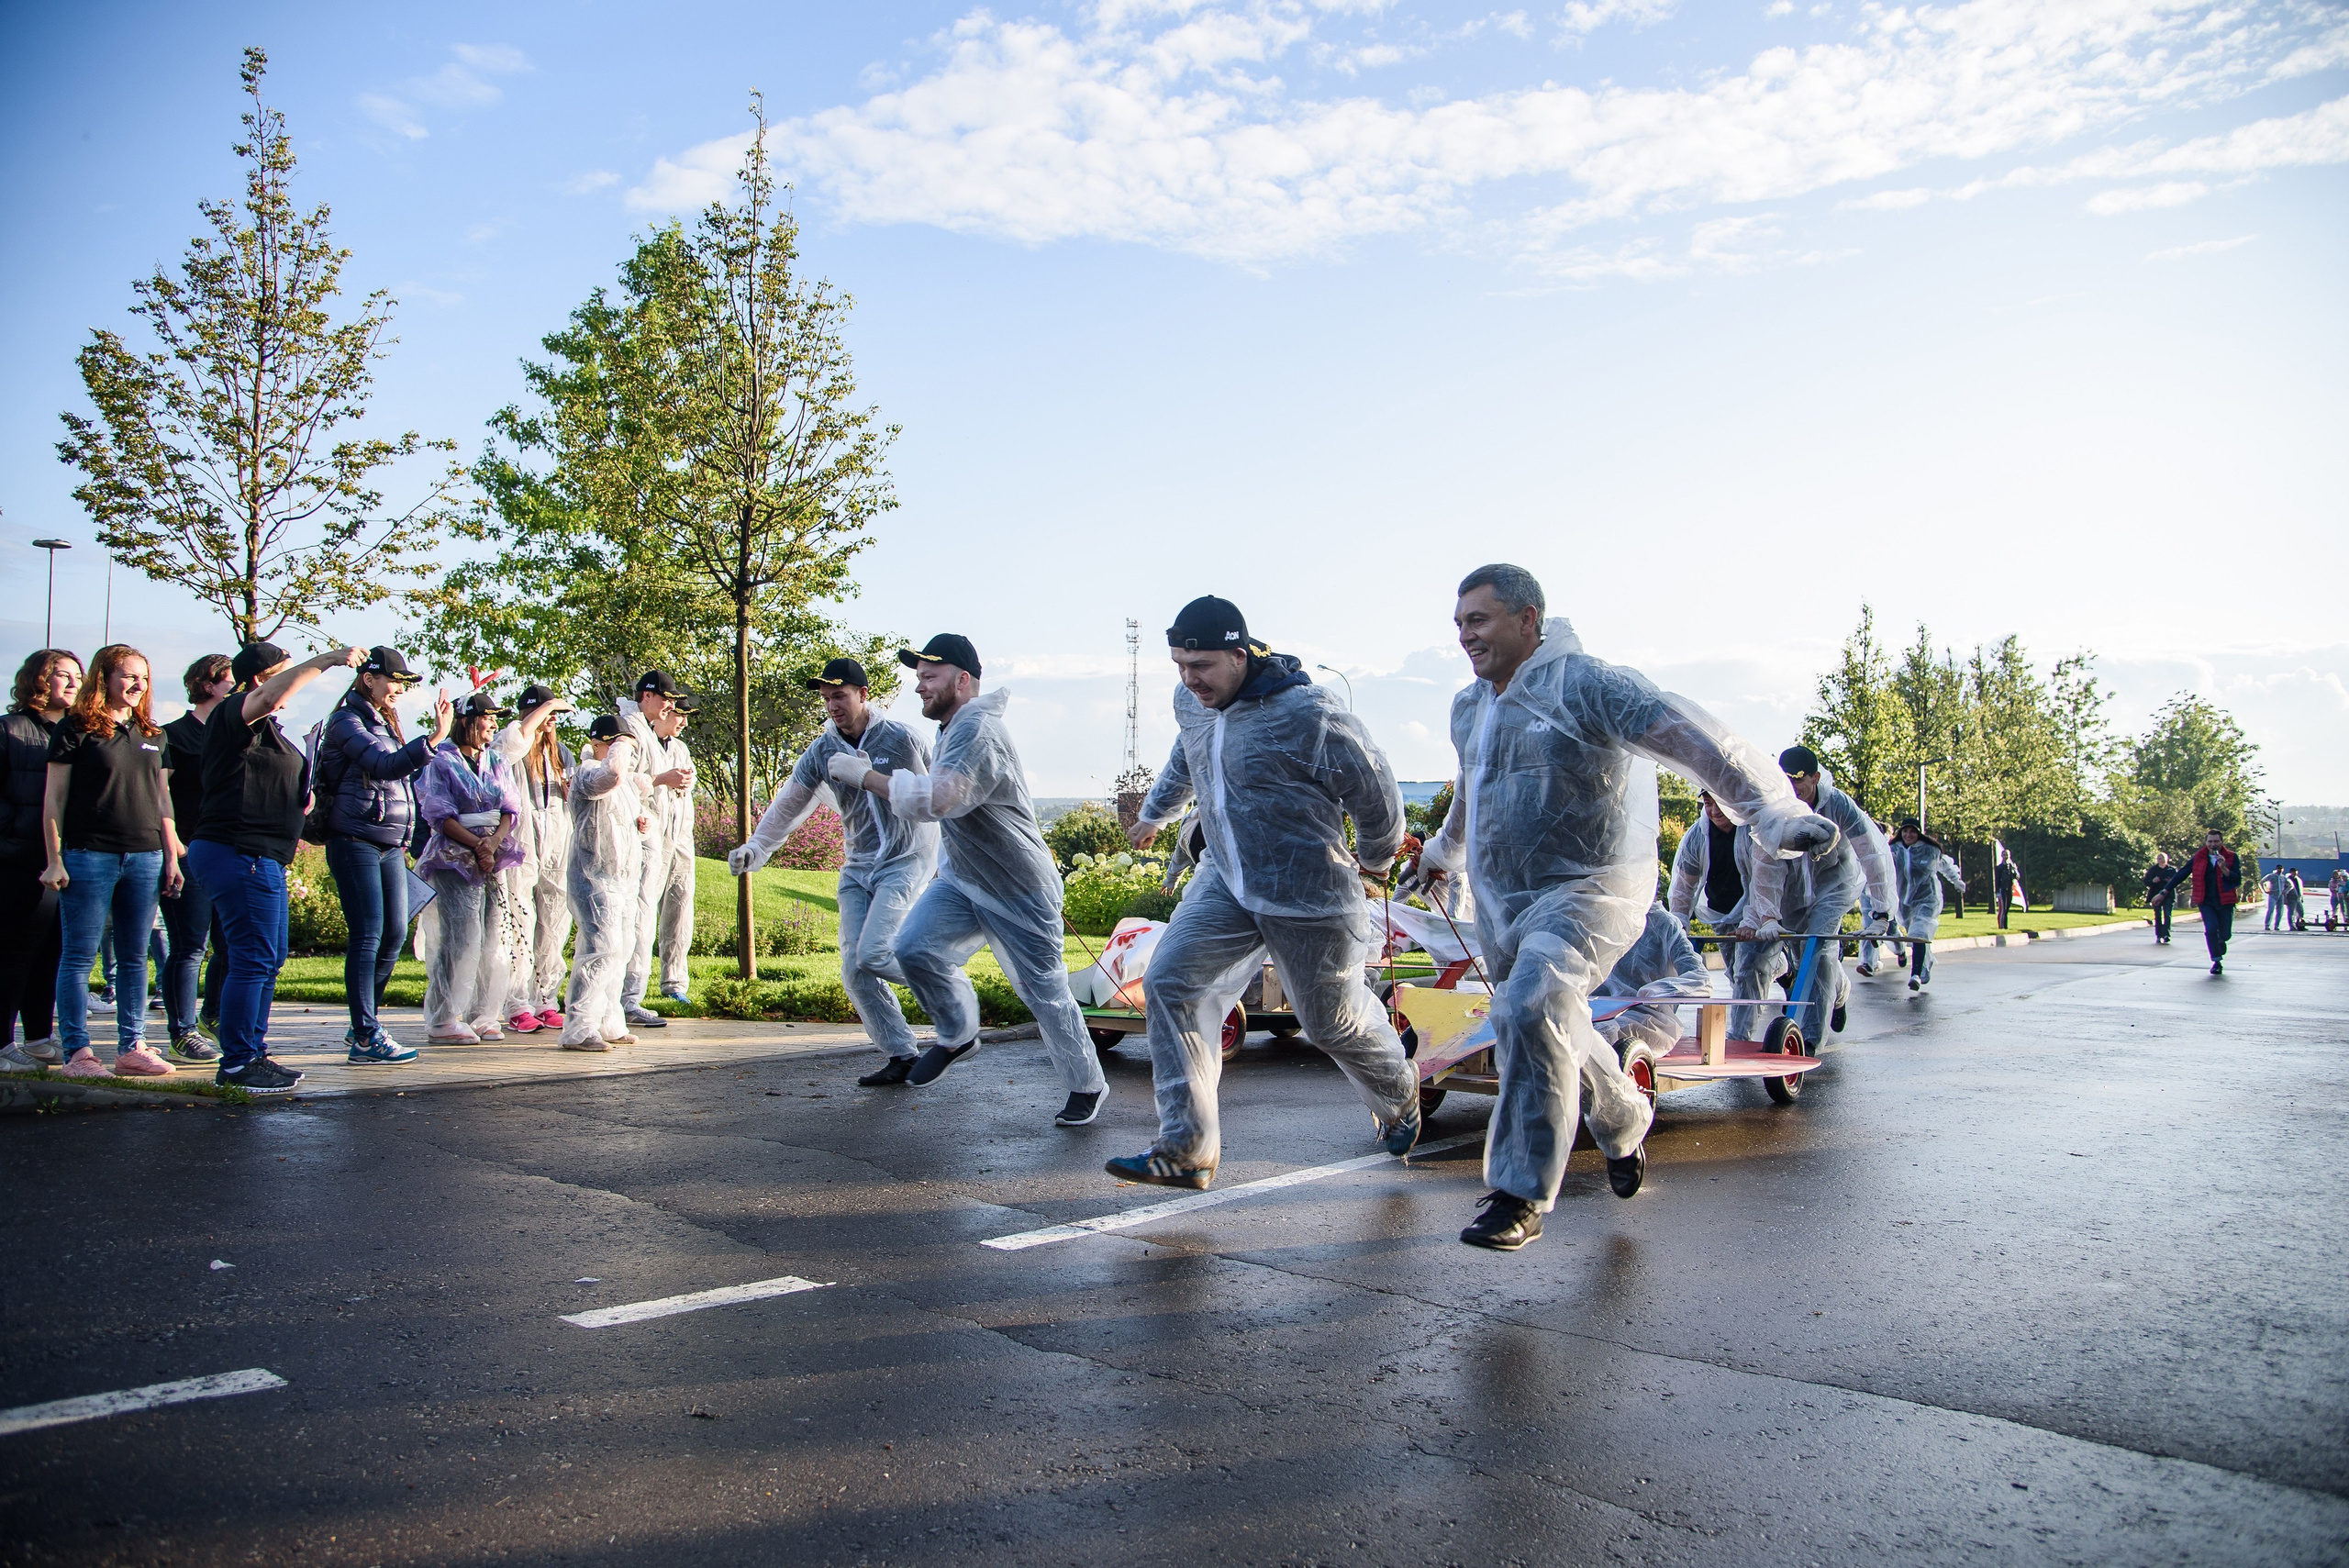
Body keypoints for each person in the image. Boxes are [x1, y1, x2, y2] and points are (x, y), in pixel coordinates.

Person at [1417, 565, 1836, 1251]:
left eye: (1479, 619)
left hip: (1592, 890)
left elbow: (1696, 739)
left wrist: (1771, 810)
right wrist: (1441, 852)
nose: (1465, 635)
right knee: (1547, 1019)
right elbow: (1473, 790)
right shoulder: (1471, 707)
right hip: (1503, 901)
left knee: (1532, 1004)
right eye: (1459, 623)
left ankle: (1519, 1192)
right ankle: (1623, 1117)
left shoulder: (1588, 685)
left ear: (1528, 619)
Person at [1105, 596, 1419, 1189]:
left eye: (1201, 666)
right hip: (1226, 878)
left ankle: (1400, 1093)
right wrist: (1155, 814)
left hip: (1309, 890)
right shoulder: (1191, 703)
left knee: (1330, 1023)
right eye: (1179, 666)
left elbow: (1374, 788)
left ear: (1239, 656)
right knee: (1171, 982)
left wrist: (1377, 858)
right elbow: (1187, 756)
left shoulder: (1305, 713)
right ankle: (1186, 1148)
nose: (1189, 680)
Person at [830, 633, 1109, 1125]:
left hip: (1019, 886)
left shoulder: (978, 729)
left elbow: (939, 800)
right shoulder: (952, 728)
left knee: (1044, 993)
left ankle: (1087, 1085)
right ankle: (958, 1034)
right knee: (913, 948)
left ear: (962, 680)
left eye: (929, 677)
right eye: (918, 677)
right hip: (962, 879)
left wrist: (865, 776)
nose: (919, 687)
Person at [730, 658, 938, 1086]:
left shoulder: (902, 738)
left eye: (840, 696)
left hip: (908, 859)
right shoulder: (822, 751)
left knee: (875, 951)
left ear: (863, 694)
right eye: (826, 699)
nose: (832, 706)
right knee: (855, 969)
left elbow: (940, 794)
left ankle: (950, 989)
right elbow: (790, 802)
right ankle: (901, 1054)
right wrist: (757, 846)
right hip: (858, 865)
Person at [185, 640, 364, 1094]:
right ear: (260, 679)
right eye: (286, 671)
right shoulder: (232, 713)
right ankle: (237, 1062)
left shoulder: (271, 733)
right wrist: (328, 659)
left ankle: (252, 1053)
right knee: (253, 957)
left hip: (262, 855)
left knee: (268, 957)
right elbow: (266, 697)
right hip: (237, 850)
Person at [40, 645, 181, 1079]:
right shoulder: (75, 729)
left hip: (145, 857)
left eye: (144, 677)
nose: (139, 685)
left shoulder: (154, 734)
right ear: (104, 678)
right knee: (79, 956)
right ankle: (78, 1054)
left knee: (135, 956)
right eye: (129, 676)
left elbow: (162, 800)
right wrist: (54, 859)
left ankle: (132, 1047)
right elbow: (54, 798)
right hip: (88, 855)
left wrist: (171, 856)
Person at [319, 647, 450, 1064]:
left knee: (394, 933)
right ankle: (365, 1034)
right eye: (394, 680)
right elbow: (382, 765)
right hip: (354, 839)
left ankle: (364, 1023)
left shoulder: (384, 723)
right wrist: (433, 739)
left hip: (389, 842)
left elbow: (401, 774)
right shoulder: (346, 721)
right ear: (368, 679)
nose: (399, 689)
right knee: (368, 934)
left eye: (404, 683)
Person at [1742, 748, 1898, 1047]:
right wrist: (1768, 915)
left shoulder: (1839, 804)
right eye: (1787, 780)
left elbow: (1871, 853)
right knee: (1803, 957)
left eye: (1799, 781)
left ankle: (1812, 1038)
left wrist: (1881, 912)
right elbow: (1765, 866)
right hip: (1792, 891)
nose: (1793, 787)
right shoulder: (1776, 808)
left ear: (1815, 778)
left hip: (1834, 887)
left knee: (1820, 950)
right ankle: (1840, 991)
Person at [414, 692, 521, 1044]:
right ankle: (444, 1016)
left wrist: (492, 844)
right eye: (487, 718)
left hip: (493, 853)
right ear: (467, 721)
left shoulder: (496, 761)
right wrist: (476, 844)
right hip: (454, 856)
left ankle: (483, 1014)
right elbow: (438, 812)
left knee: (493, 934)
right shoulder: (441, 761)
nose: (492, 724)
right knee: (459, 936)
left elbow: (510, 808)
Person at [0, 651, 80, 1073]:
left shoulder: (77, 730)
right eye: (63, 675)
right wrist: (11, 836)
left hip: (67, 860)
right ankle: (2, 1045)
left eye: (78, 676)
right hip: (19, 858)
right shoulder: (11, 729)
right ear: (38, 680)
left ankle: (37, 1039)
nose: (73, 683)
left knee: (51, 952)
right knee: (14, 953)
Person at [157, 655, 231, 1064]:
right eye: (230, 681)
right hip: (187, 852)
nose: (238, 689)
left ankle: (213, 1015)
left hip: (227, 852)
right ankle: (182, 1031)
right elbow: (159, 794)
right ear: (207, 684)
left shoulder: (232, 733)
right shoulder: (173, 736)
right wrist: (172, 846)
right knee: (189, 947)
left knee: (229, 944)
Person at [1664, 789, 1781, 1042]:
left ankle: (1739, 1037)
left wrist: (1753, 920)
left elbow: (1764, 880)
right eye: (1708, 804)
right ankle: (1780, 966)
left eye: (1720, 804)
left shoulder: (1753, 832)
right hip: (1722, 911)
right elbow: (1684, 884)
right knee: (1736, 971)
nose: (1715, 811)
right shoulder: (1698, 835)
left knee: (1749, 970)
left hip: (1756, 908)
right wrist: (1678, 922)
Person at [560, 715, 646, 1051]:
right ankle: (579, 1029)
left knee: (619, 951)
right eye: (616, 745)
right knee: (599, 951)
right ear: (598, 745)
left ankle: (609, 1022)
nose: (624, 753)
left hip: (621, 879)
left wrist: (642, 824)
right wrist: (621, 747)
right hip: (592, 876)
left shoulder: (625, 786)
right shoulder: (586, 773)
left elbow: (626, 820)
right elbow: (611, 776)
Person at [618, 671, 696, 1029]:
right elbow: (622, 778)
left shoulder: (674, 745)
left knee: (676, 909)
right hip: (646, 838)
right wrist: (662, 780)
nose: (670, 708)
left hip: (676, 836)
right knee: (640, 914)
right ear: (646, 696)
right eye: (667, 700)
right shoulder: (631, 730)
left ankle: (669, 984)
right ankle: (628, 997)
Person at [495, 684, 575, 1035]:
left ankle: (545, 999)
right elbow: (512, 743)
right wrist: (542, 713)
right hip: (522, 845)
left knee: (553, 925)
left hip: (556, 845)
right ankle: (517, 1003)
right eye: (546, 713)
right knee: (520, 922)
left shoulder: (561, 754)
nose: (552, 720)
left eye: (555, 715)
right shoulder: (513, 746)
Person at [1592, 903, 1711, 1062]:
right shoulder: (1599, 917)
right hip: (1596, 1013)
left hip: (1648, 1019)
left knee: (1599, 1036)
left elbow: (1701, 978)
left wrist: (1661, 990)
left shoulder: (1663, 923)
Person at [1889, 818, 1965, 989]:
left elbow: (1945, 866)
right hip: (1904, 901)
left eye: (1912, 831)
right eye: (1905, 831)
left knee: (1919, 933)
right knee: (1915, 935)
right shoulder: (1894, 850)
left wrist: (1956, 881)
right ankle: (1926, 963)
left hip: (1927, 899)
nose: (1908, 835)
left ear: (1919, 833)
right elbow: (1880, 867)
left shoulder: (1930, 850)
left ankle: (1915, 974)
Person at [2177, 829, 2242, 973]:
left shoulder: (2231, 857)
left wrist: (2224, 869)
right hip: (2206, 902)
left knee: (2225, 934)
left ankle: (2221, 940)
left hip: (2225, 902)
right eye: (2210, 841)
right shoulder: (2199, 857)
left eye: (2216, 841)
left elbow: (2237, 879)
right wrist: (2164, 892)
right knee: (2211, 928)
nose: (2213, 844)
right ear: (2206, 843)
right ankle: (2216, 962)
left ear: (2222, 842)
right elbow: (2182, 874)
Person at [2142, 851, 2179, 945]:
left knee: (2167, 915)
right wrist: (2153, 880)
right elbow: (2146, 881)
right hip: (2156, 895)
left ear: (2166, 859)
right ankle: (2159, 935)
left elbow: (2178, 880)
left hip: (2168, 895)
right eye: (2159, 858)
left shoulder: (2171, 870)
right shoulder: (2153, 870)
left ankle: (2166, 935)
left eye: (2162, 858)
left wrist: (2171, 881)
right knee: (2158, 915)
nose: (2160, 860)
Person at [1993, 845, 2023, 929]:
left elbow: (2017, 877)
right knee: (2003, 909)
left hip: (2009, 889)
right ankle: (2002, 926)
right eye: (2004, 855)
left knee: (2007, 909)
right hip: (2002, 889)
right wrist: (1997, 891)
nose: (2005, 856)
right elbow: (1997, 880)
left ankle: (2005, 926)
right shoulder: (1999, 868)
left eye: (2007, 855)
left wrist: (2015, 869)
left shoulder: (2011, 867)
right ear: (2002, 856)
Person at [2263, 862, 2290, 931]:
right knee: (2271, 910)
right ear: (2276, 869)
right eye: (2278, 869)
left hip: (2280, 895)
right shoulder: (2271, 876)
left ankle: (2277, 925)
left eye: (2281, 869)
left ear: (2283, 869)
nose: (2280, 870)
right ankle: (2267, 925)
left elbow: (2290, 885)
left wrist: (2285, 891)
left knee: (2280, 911)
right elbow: (2262, 882)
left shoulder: (2283, 877)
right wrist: (2265, 890)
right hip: (2273, 895)